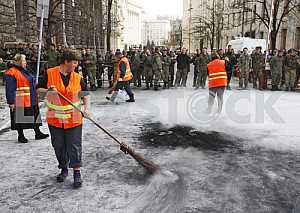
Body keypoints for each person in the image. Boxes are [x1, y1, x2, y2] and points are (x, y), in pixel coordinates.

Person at [37, 50, 89, 188]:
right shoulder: (50, 73)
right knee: (59, 146)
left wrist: (86, 109)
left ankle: (77, 172)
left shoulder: (78, 77)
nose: (76, 65)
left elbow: (85, 94)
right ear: (66, 61)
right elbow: (38, 90)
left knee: (74, 146)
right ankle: (64, 168)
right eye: (74, 62)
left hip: (74, 119)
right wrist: (49, 91)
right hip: (55, 119)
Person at [5, 54, 49, 143]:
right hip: (20, 99)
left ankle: (38, 132)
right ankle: (21, 136)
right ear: (19, 61)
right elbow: (10, 88)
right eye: (24, 60)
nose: (25, 62)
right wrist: (11, 102)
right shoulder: (11, 72)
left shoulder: (24, 70)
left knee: (35, 114)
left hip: (31, 97)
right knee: (20, 117)